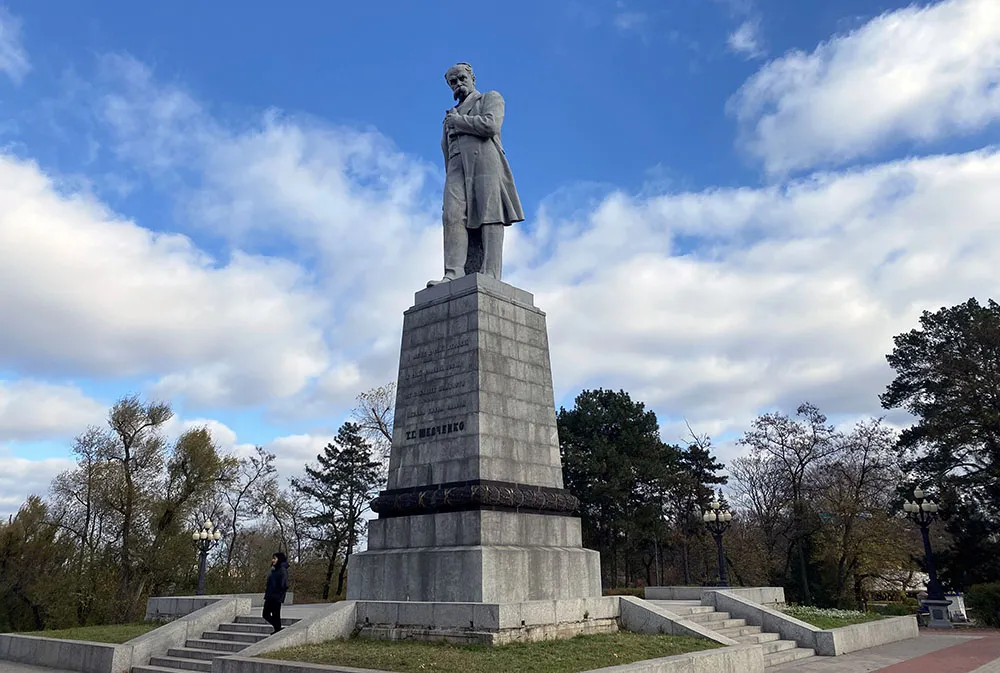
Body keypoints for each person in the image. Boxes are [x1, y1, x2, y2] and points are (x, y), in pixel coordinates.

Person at [427, 62, 524, 287]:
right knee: (451, 216)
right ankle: (453, 273)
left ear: (472, 78)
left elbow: (491, 126)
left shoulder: (489, 98)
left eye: (461, 78)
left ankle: (490, 273)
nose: (458, 84)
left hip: (485, 163)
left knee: (490, 215)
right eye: (453, 81)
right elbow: (445, 148)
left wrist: (459, 122)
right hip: (455, 168)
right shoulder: (448, 116)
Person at [263, 552, 289, 634]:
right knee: (265, 614)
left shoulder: (282, 570)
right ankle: (278, 628)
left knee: (275, 614)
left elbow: (284, 584)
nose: (273, 560)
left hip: (276, 596)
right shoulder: (273, 569)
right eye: (273, 558)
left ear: (279, 559)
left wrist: (279, 594)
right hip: (270, 595)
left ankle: (277, 629)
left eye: (275, 558)